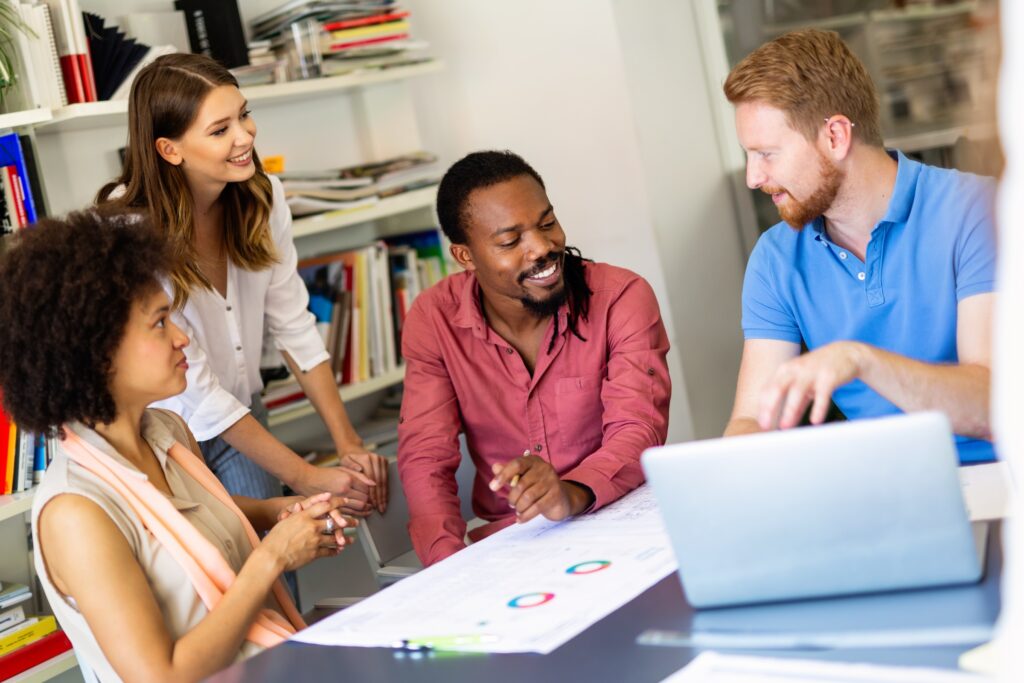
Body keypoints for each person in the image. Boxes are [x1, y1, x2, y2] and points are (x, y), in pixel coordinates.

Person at [0, 211, 354, 682]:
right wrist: (273, 558)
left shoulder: (168, 431)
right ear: (97, 349)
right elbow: (161, 677)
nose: (182, 337)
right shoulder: (75, 514)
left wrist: (275, 512)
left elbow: (179, 523)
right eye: (161, 322)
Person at [97, 53, 388, 510]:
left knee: (282, 562)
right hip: (157, 431)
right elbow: (193, 381)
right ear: (169, 149)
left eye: (244, 115)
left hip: (242, 411)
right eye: (220, 129)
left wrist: (347, 442)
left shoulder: (262, 198)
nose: (245, 135)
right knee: (217, 573)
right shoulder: (130, 230)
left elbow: (293, 322)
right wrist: (305, 475)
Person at [721, 29, 997, 463]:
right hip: (878, 492)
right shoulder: (775, 259)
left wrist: (862, 361)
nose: (753, 178)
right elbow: (753, 419)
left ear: (835, 136)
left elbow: (994, 402)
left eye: (767, 154)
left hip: (998, 483)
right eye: (748, 156)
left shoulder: (978, 211)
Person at [397, 150, 671, 566]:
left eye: (547, 223)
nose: (543, 247)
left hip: (623, 528)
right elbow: (426, 458)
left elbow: (637, 429)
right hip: (514, 548)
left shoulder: (621, 297)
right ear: (465, 257)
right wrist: (450, 568)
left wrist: (568, 494)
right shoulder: (434, 320)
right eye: (510, 241)